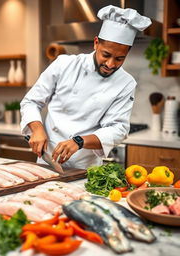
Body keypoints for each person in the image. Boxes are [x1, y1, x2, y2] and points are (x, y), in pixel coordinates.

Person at [20, 5, 151, 169]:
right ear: (96, 43)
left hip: (85, 166)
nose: (110, 64)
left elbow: (118, 128)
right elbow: (31, 101)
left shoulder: (126, 82)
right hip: (48, 161)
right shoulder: (64, 64)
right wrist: (37, 129)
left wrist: (79, 141)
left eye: (119, 59)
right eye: (106, 55)